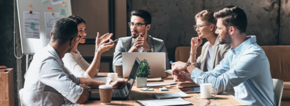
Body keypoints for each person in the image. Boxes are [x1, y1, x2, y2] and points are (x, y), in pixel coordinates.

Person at [172, 6, 275, 106]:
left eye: (219, 28)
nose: (216, 32)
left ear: (231, 30)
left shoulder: (252, 55)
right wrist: (189, 76)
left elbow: (217, 85)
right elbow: (214, 74)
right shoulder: (233, 51)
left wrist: (188, 66)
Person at [20, 18, 127, 106]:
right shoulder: (48, 61)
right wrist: (84, 89)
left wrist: (109, 84)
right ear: (72, 41)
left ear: (52, 34)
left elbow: (77, 79)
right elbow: (80, 97)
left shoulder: (50, 55)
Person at [173, 10, 230, 82]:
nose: (197, 30)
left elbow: (223, 75)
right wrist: (193, 49)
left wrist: (187, 69)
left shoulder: (224, 46)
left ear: (211, 27)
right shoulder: (206, 46)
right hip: (206, 87)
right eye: (196, 27)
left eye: (200, 26)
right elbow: (194, 68)